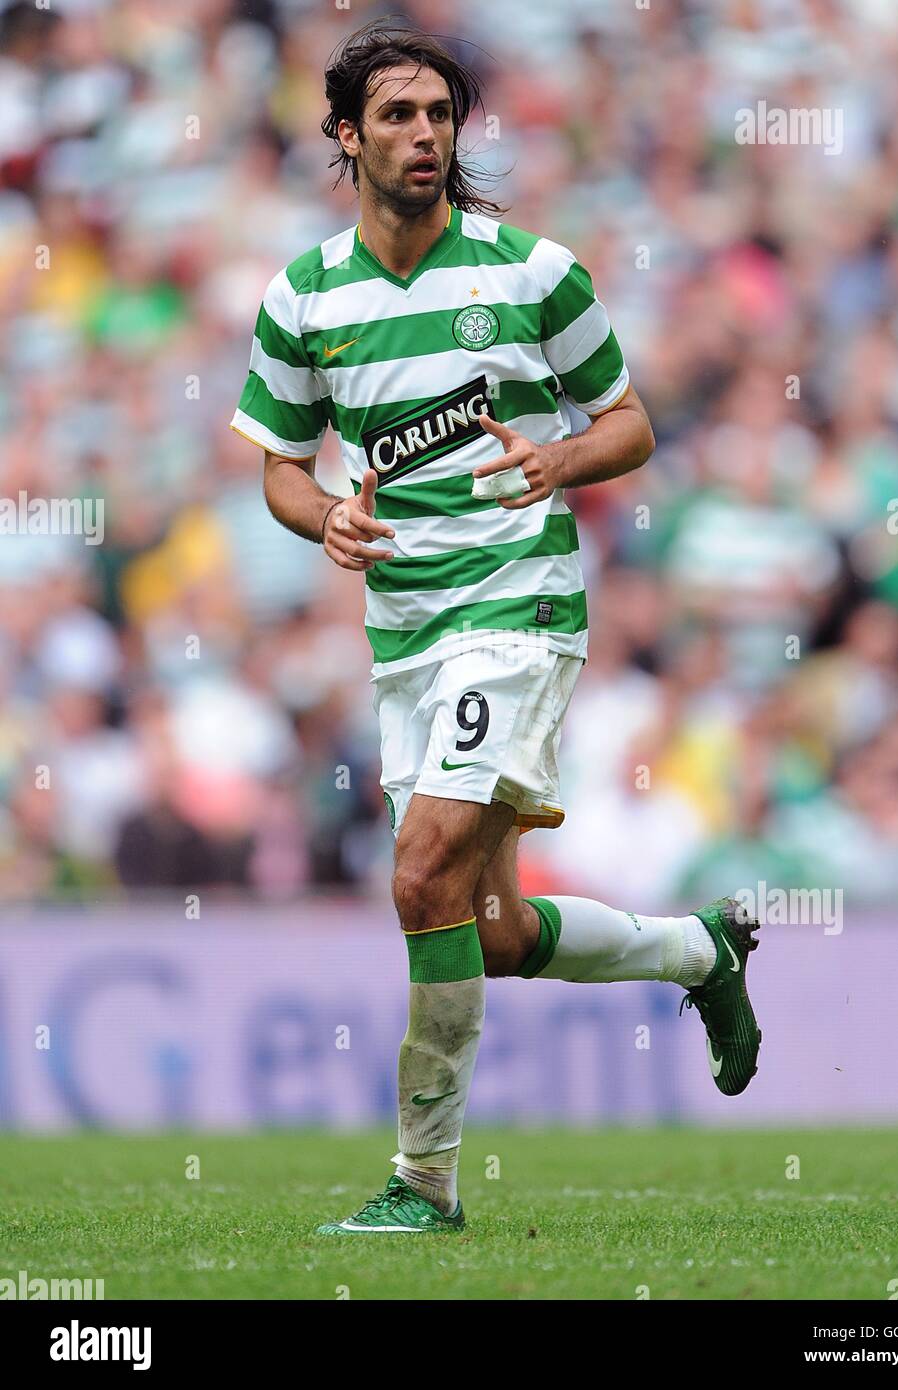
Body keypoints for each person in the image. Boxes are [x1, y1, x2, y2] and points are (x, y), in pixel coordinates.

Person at [230, 20, 761, 1235]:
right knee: (489, 925)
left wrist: (558, 458)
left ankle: (423, 1184)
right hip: (402, 633)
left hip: (516, 606)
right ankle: (700, 955)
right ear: (346, 135)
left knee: (417, 868)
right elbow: (279, 469)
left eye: (441, 116)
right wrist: (326, 523)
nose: (425, 136)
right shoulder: (302, 294)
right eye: (399, 116)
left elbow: (627, 422)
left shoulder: (532, 271)